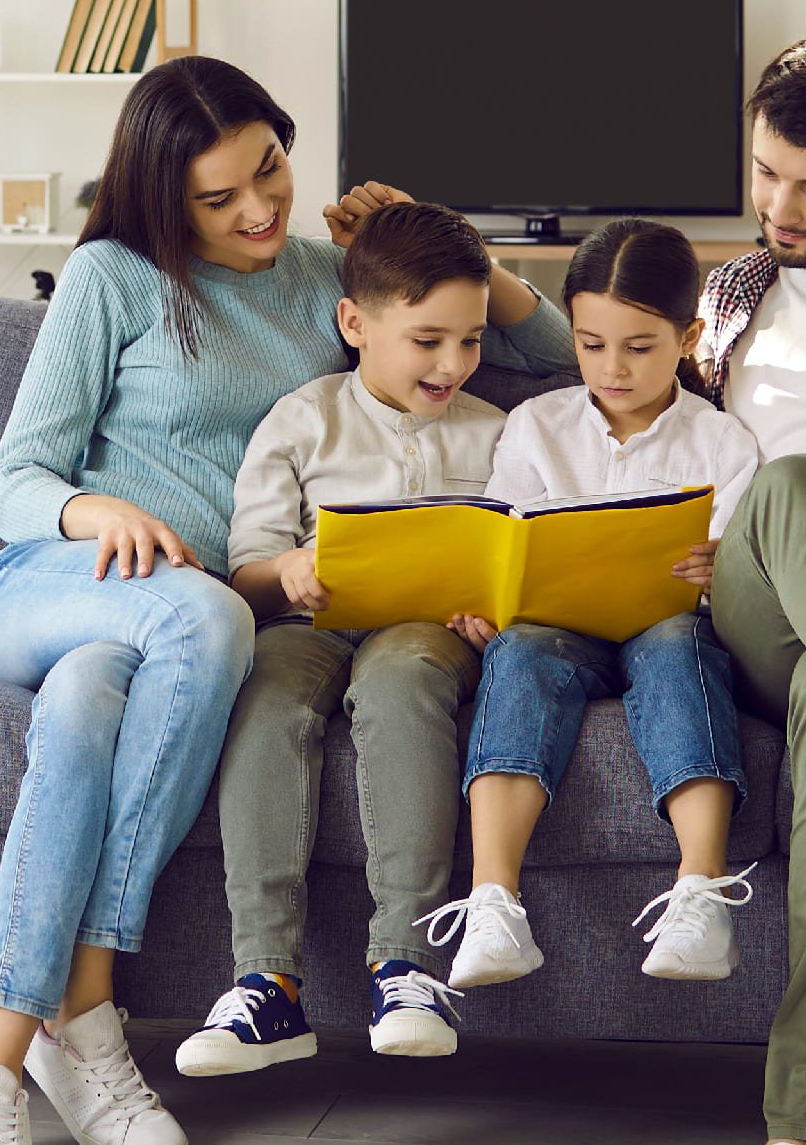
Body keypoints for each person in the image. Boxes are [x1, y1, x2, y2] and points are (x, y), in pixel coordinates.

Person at [326, 32, 806, 1145]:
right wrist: (449, 246)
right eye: (764, 172)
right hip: (764, 606)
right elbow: (602, 349)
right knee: (792, 491)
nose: (780, 205)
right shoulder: (730, 295)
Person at [0, 56, 570, 1145]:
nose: (259, 207)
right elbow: (8, 481)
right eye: (219, 196)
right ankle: (85, 1014)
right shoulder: (112, 277)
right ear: (160, 197)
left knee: (87, 715)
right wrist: (101, 515)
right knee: (209, 612)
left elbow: (548, 349)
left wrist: (445, 236)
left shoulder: (324, 273)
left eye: (271, 168)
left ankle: (0, 1063)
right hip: (67, 583)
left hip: (163, 638)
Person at [174, 202, 514, 1079]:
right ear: (355, 323)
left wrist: (493, 612)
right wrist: (289, 570)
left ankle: (405, 965)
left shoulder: (498, 432)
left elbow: (520, 561)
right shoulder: (301, 420)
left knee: (401, 686)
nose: (452, 364)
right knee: (267, 699)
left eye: (472, 342)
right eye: (428, 339)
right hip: (308, 622)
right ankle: (268, 980)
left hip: (425, 632)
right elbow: (246, 570)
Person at [418, 218, 765, 991]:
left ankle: (702, 891)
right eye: (590, 344)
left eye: (639, 348)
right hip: (555, 630)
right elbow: (501, 542)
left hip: (667, 625)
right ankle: (493, 901)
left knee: (679, 646)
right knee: (522, 650)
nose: (612, 368)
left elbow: (736, 575)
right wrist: (487, 608)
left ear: (688, 336)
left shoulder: (723, 443)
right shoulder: (536, 426)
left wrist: (721, 570)